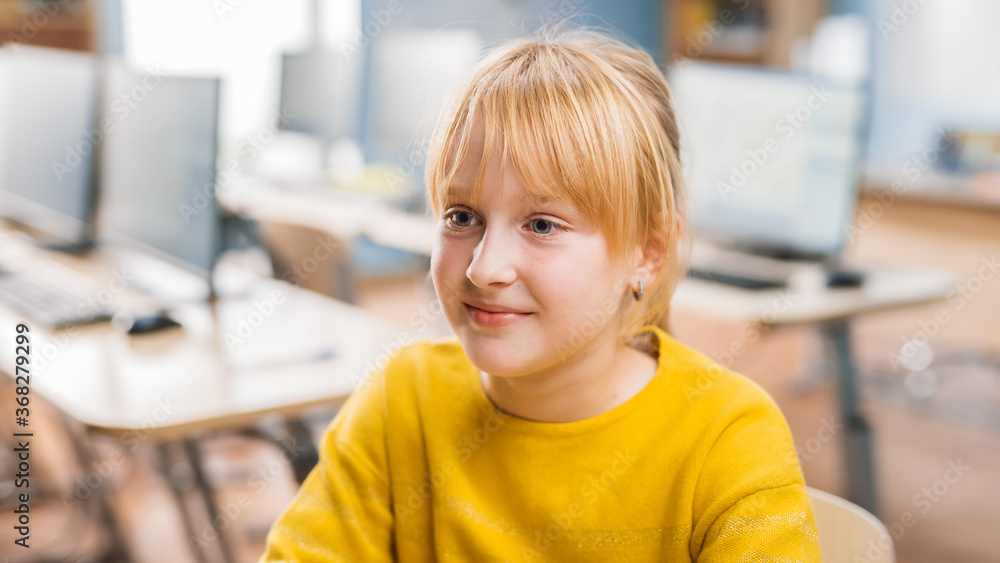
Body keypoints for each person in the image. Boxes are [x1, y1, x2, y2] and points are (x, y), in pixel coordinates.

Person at [259, 29, 821, 562]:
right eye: (462, 216)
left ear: (648, 251)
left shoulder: (728, 439)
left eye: (543, 225)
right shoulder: (402, 399)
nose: (484, 268)